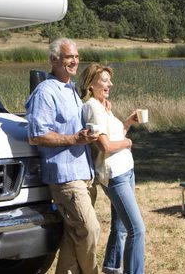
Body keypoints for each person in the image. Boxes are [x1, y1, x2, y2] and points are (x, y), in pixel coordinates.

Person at [25, 38, 100, 274]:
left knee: (74, 234)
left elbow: (73, 129)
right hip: (65, 177)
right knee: (90, 229)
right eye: (69, 57)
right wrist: (73, 139)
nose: (74, 61)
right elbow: (37, 136)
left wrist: (87, 134)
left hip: (83, 173)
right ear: (54, 60)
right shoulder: (46, 92)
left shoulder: (70, 89)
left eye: (76, 57)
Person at [79, 63, 145, 274]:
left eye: (110, 80)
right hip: (116, 175)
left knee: (121, 226)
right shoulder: (92, 107)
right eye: (105, 80)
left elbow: (114, 136)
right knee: (137, 229)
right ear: (91, 84)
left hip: (126, 171)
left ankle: (111, 267)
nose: (110, 83)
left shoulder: (102, 106)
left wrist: (126, 123)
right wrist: (128, 143)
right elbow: (105, 146)